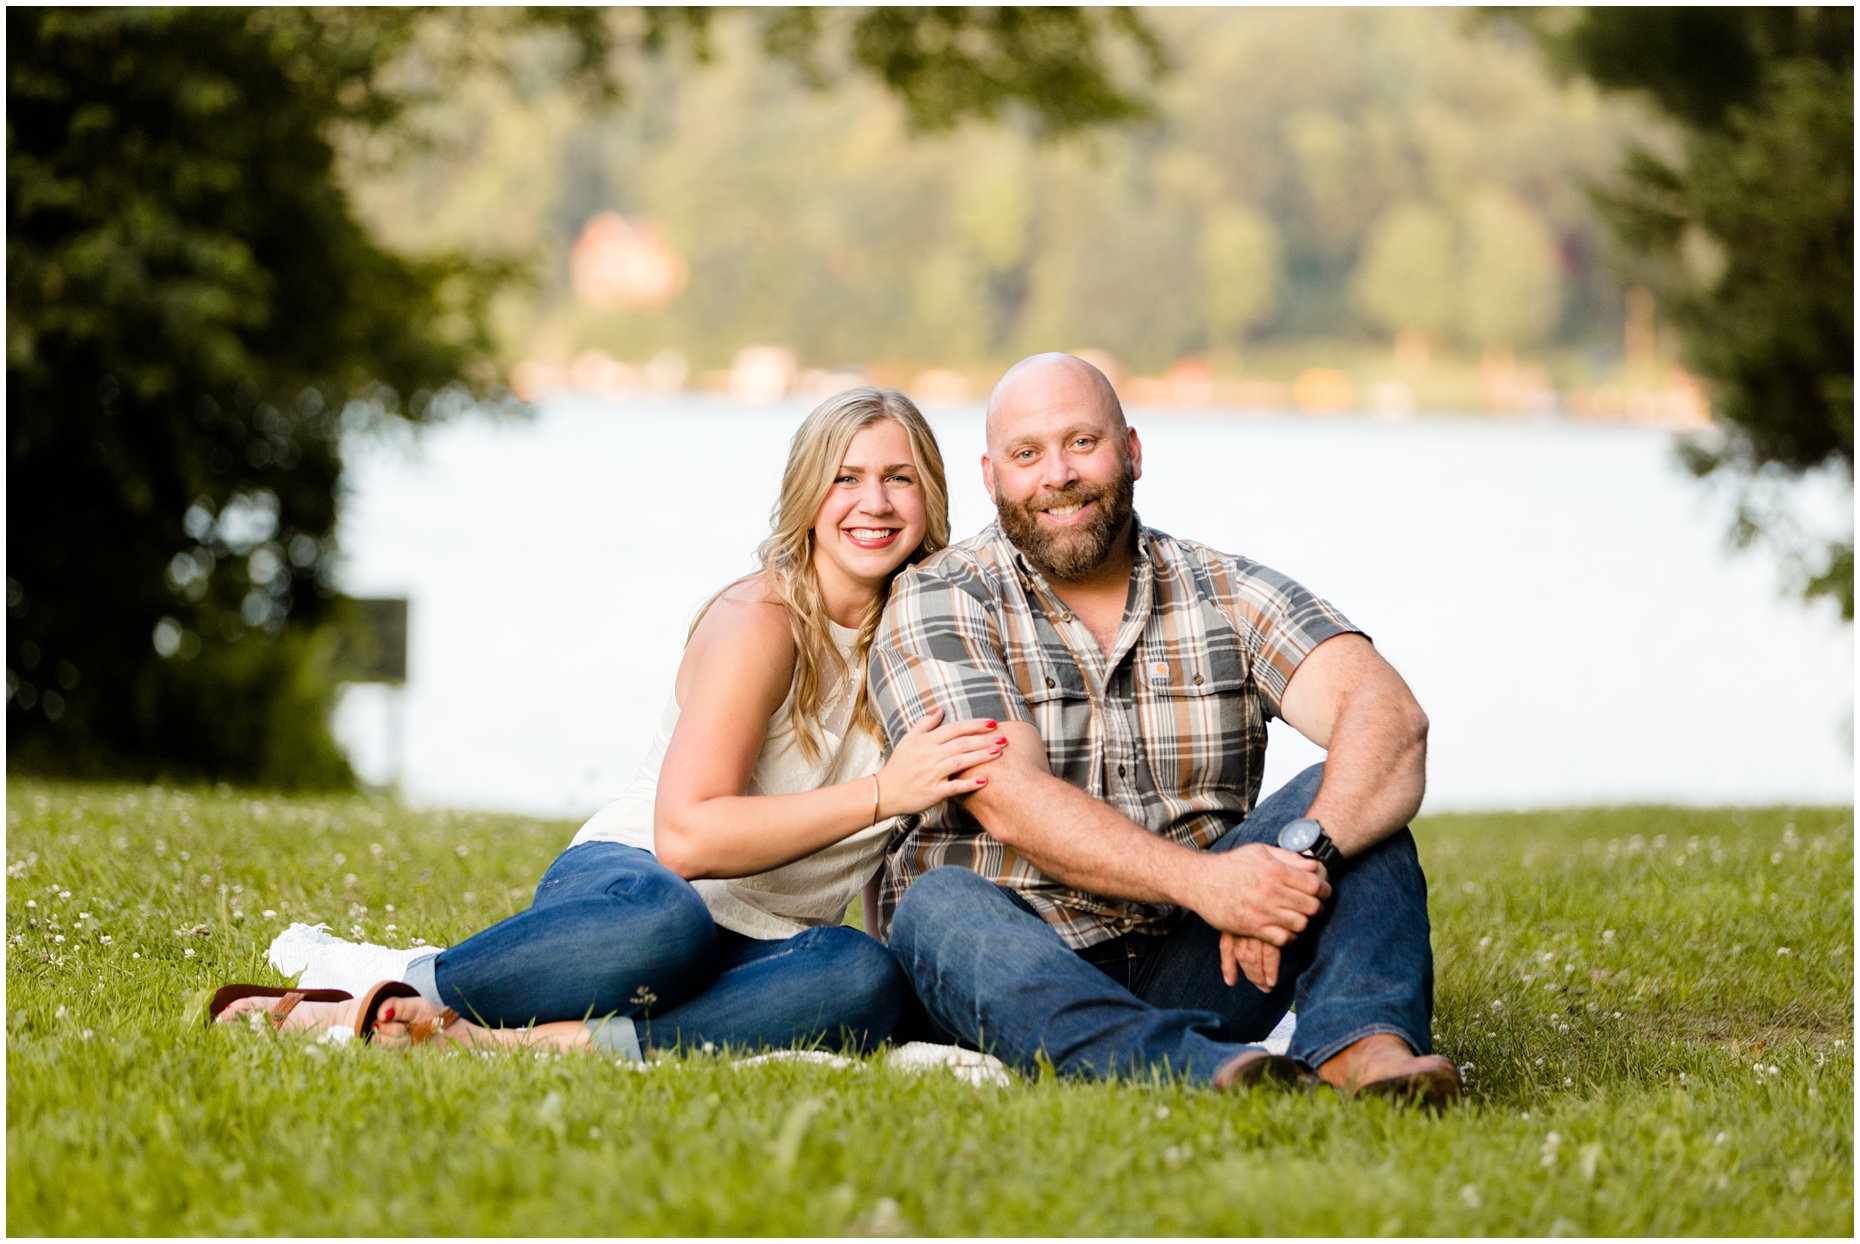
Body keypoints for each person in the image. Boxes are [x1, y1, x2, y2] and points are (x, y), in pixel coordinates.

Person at [212, 387, 1008, 1055]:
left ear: (931, 497)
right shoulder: (759, 620)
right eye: (846, 478)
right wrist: (881, 793)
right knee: (670, 931)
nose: (873, 503)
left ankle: (516, 1044)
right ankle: (396, 991)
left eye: (898, 478)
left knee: (864, 978)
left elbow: (888, 856)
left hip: (769, 941)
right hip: (640, 888)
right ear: (808, 496)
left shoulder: (929, 640)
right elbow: (688, 838)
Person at [867, 353, 1460, 1104]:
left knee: (1345, 799)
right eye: (1027, 454)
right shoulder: (940, 599)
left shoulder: (1224, 588)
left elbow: (1389, 716)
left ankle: (1363, 1051)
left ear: (1133, 451)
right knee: (937, 906)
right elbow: (1009, 798)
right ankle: (1196, 1071)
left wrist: (1295, 864)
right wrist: (1213, 885)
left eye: (1083, 442)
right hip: (1017, 968)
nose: (1057, 475)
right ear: (991, 477)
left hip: (1206, 961)